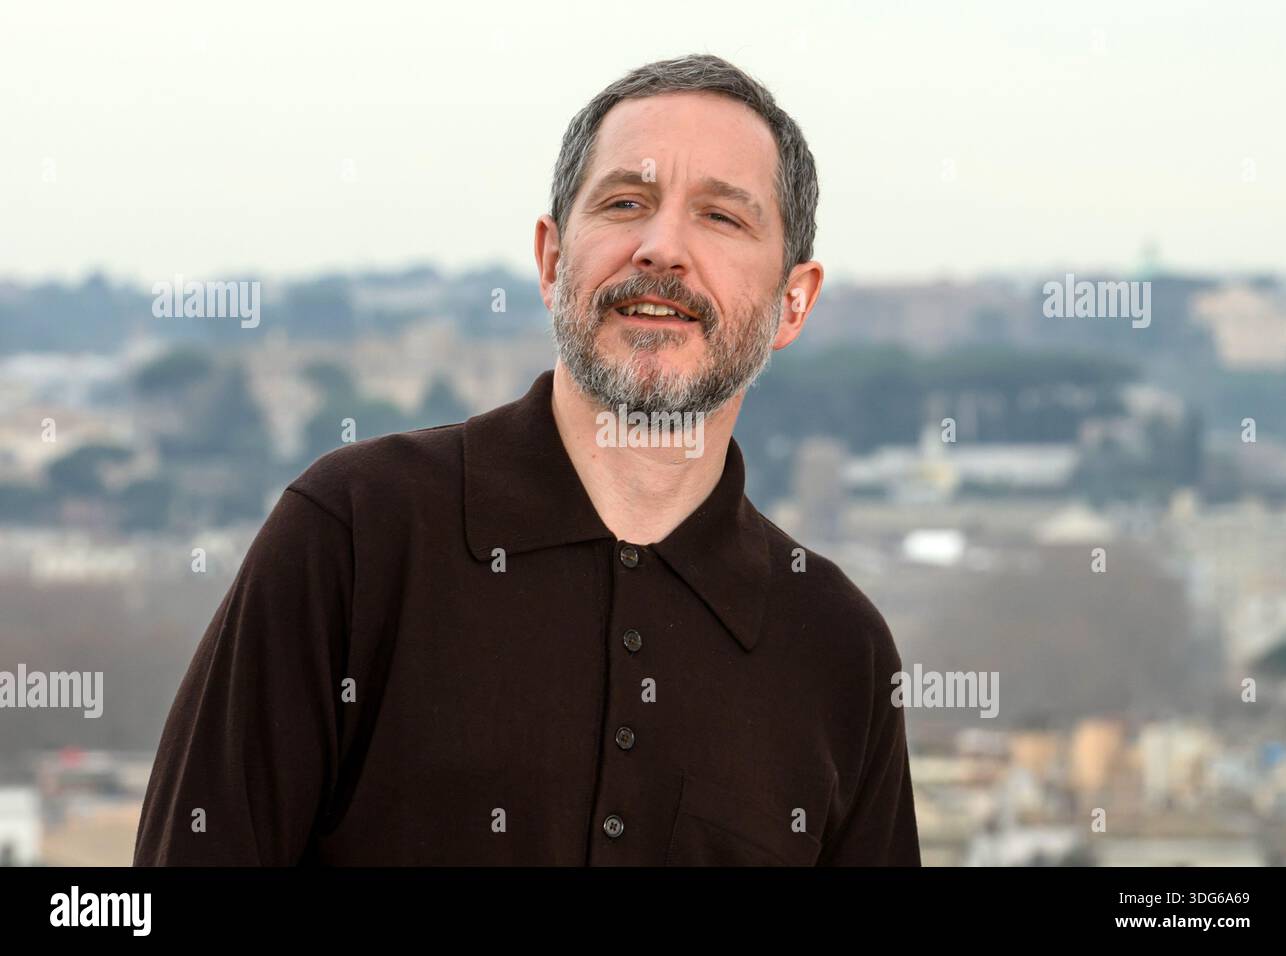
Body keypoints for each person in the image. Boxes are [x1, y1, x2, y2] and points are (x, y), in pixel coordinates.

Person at [133, 52, 921, 866]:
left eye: (722, 218)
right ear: (550, 261)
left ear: (794, 302)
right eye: (625, 202)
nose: (661, 249)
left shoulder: (839, 650)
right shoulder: (356, 534)